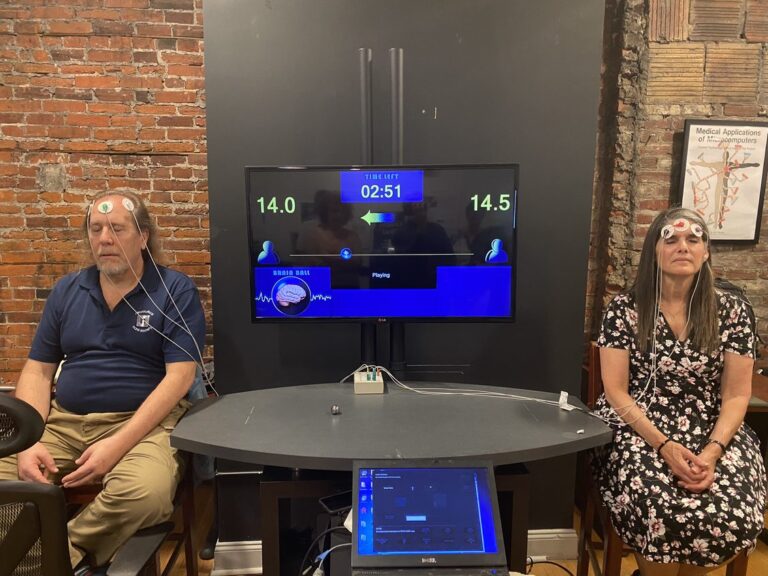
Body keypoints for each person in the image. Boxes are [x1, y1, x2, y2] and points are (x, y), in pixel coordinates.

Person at [0, 190, 206, 574]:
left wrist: (116, 445)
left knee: (145, 495)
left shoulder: (175, 291)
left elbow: (180, 379)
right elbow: (37, 371)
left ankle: (53, 558)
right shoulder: (67, 290)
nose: (104, 239)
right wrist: (28, 442)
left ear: (143, 237)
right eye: (96, 229)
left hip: (141, 426)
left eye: (117, 229)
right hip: (63, 423)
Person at [593, 207, 766, 576]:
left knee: (730, 508)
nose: (682, 246)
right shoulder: (624, 309)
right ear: (654, 250)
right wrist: (664, 446)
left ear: (706, 252)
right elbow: (616, 391)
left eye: (694, 239)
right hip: (639, 425)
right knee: (657, 503)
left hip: (713, 428)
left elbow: (737, 395)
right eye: (670, 238)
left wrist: (712, 453)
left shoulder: (733, 311)